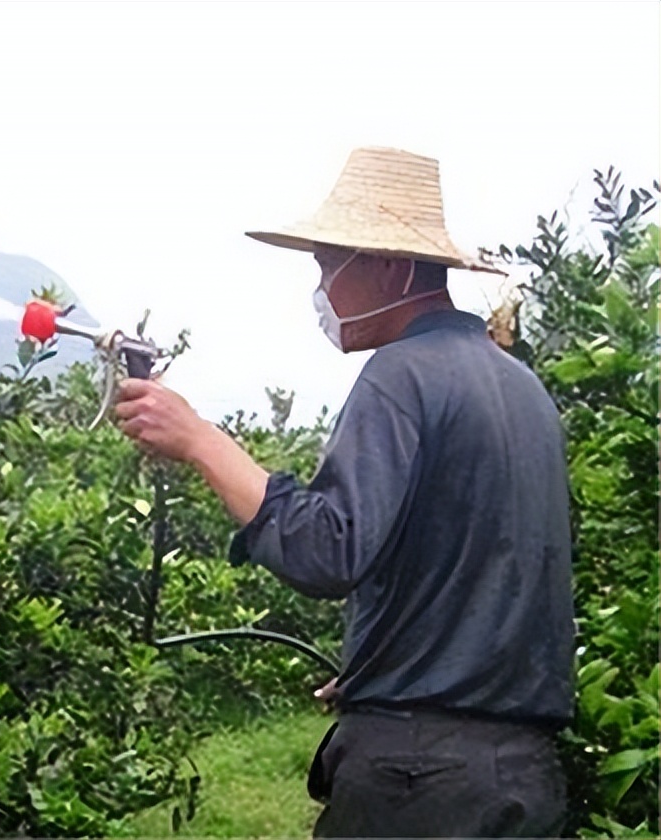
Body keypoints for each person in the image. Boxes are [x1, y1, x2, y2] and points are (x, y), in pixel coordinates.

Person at [113, 146, 575, 838]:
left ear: (387, 266)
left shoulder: (403, 373)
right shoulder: (520, 386)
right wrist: (389, 669)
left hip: (417, 787)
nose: (323, 286)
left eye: (330, 264)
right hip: (521, 778)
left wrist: (200, 440)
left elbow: (327, 552)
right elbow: (479, 576)